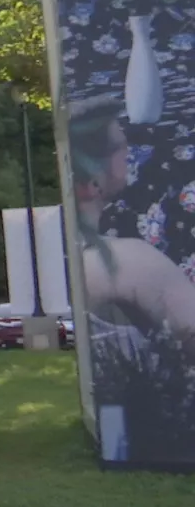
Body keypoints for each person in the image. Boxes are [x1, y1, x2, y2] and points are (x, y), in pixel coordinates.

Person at [69, 96, 195, 347]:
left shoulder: (63, 258)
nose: (129, 152)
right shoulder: (132, 261)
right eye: (119, 147)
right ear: (93, 180)